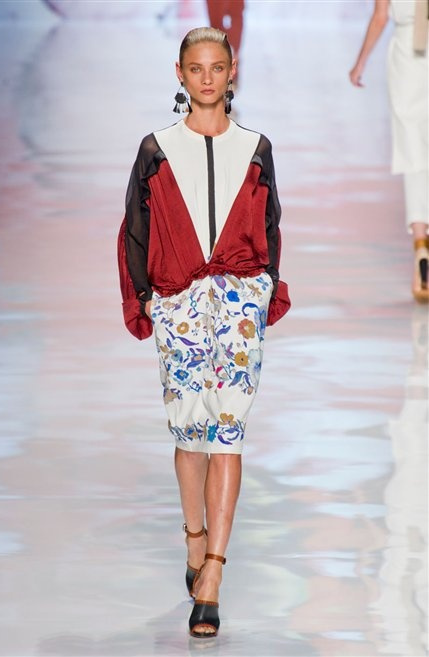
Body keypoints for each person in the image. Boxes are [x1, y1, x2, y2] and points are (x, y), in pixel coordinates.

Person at [117, 27, 290, 638]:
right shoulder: (157, 149)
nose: (208, 78)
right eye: (197, 68)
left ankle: (213, 570)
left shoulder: (257, 146)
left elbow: (271, 223)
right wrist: (145, 297)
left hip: (240, 299)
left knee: (228, 430)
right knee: (190, 432)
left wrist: (266, 286)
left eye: (217, 67)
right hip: (179, 300)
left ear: (231, 70)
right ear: (180, 73)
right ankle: (195, 538)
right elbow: (134, 228)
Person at [349, 0, 429, 302]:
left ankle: (421, 245)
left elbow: (380, 16)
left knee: (413, 151)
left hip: (409, 53)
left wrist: (360, 62)